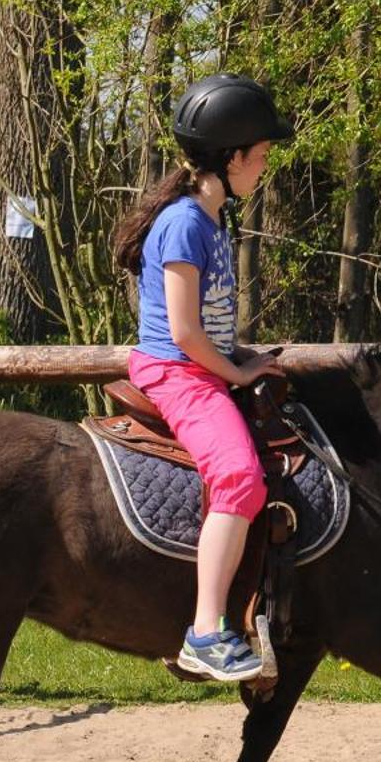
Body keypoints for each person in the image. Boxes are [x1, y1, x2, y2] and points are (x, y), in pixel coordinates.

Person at [109, 72, 293, 680]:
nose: (263, 167)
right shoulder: (186, 222)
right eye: (260, 156)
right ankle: (207, 631)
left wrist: (244, 359)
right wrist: (237, 373)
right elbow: (185, 334)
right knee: (240, 477)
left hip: (202, 366)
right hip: (178, 372)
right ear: (233, 156)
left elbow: (208, 328)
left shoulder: (212, 219)